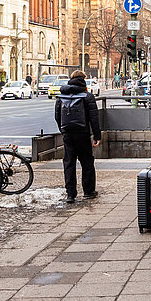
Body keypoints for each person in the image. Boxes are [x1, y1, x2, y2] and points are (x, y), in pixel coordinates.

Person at [56, 70, 101, 204]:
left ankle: (70, 194)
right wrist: (97, 136)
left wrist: (63, 131)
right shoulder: (87, 96)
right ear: (83, 80)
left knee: (69, 163)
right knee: (87, 161)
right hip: (82, 133)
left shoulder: (62, 95)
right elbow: (94, 118)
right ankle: (88, 191)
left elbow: (57, 116)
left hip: (68, 133)